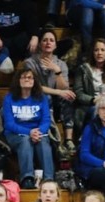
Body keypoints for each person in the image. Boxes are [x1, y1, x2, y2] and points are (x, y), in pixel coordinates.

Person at [1, 67, 54, 188]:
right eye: (24, 77)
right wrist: (29, 132)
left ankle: (49, 178)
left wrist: (38, 132)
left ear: (34, 81)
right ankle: (27, 178)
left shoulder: (42, 98)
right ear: (18, 80)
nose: (27, 80)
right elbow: (9, 124)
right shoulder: (9, 98)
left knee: (43, 142)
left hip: (38, 132)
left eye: (30, 77)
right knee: (25, 141)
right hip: (15, 134)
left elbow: (46, 120)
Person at [27, 28, 77, 156]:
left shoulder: (60, 64)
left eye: (51, 40)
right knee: (46, 98)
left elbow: (64, 87)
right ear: (40, 44)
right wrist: (58, 92)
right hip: (36, 99)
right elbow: (34, 86)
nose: (48, 43)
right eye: (45, 40)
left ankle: (69, 140)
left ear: (55, 45)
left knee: (68, 97)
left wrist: (57, 71)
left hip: (56, 98)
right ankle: (54, 138)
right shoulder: (30, 63)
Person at [0, 0, 39, 86]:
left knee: (35, 39)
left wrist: (35, 36)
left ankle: (29, 76)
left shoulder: (25, 3)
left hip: (18, 42)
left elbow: (32, 21)